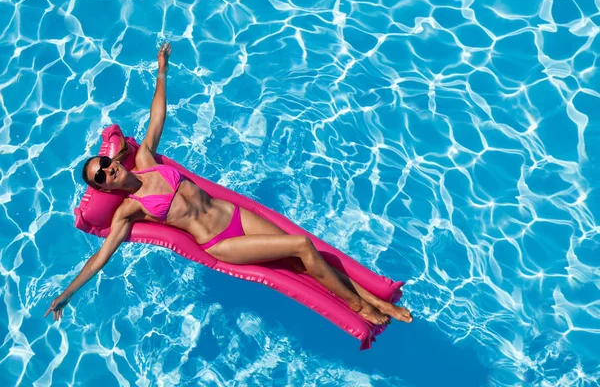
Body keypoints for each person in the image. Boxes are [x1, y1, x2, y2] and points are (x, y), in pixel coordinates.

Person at [45, 43, 413, 326]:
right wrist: (66, 295)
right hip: (222, 242)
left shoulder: (145, 161)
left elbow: (158, 115)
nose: (107, 170)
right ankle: (359, 305)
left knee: (305, 256)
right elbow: (100, 259)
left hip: (236, 215)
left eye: (104, 163)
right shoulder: (129, 210)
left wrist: (162, 70)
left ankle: (379, 302)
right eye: (100, 176)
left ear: (114, 161)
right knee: (301, 246)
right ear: (105, 189)